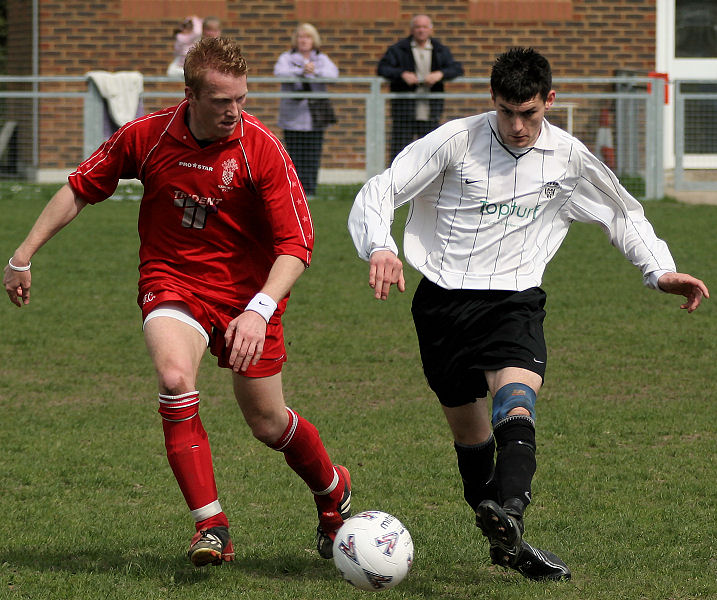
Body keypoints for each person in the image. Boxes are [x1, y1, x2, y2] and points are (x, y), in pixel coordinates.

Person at [348, 47, 709, 582]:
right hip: (443, 305)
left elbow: (619, 211)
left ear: (550, 101)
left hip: (515, 302)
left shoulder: (566, 156)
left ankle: (513, 512)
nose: (518, 126)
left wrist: (659, 270)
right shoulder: (454, 142)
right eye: (507, 112)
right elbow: (383, 189)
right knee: (472, 447)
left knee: (516, 402)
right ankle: (508, 541)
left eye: (530, 113)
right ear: (492, 102)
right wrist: (380, 245)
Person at [4, 36, 351, 567]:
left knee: (267, 422)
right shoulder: (147, 135)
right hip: (173, 282)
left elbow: (297, 246)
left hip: (249, 299)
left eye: (242, 99)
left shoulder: (263, 149)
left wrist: (258, 310)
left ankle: (332, 491)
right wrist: (23, 254)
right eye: (220, 102)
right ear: (190, 95)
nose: (235, 112)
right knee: (173, 379)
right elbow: (78, 187)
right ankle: (211, 526)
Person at [377, 14, 463, 161]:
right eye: (417, 27)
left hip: (430, 110)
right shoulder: (398, 49)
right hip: (404, 110)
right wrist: (402, 74)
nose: (421, 30)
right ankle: (396, 182)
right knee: (400, 152)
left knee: (430, 152)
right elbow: (383, 68)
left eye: (424, 27)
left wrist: (440, 74)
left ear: (430, 29)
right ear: (411, 29)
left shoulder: (440, 49)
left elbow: (457, 68)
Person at [273, 23, 339, 197]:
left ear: (314, 40)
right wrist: (300, 71)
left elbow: (333, 75)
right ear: (296, 39)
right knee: (294, 155)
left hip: (315, 117)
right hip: (293, 117)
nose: (304, 40)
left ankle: (310, 190)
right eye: (301, 36)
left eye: (308, 36)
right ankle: (295, 191)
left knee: (313, 154)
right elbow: (279, 72)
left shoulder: (321, 58)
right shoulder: (287, 57)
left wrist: (315, 71)